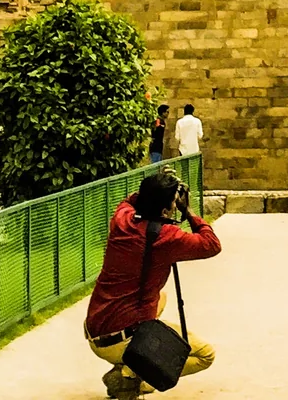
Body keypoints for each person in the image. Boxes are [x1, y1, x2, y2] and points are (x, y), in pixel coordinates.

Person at [83, 169, 219, 399]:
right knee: (205, 355)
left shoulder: (121, 219)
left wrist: (157, 183)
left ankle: (129, 365)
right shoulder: (167, 237)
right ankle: (132, 376)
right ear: (166, 210)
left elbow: (131, 199)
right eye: (174, 204)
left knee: (160, 297)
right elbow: (211, 244)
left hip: (95, 328)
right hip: (121, 340)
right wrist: (188, 210)